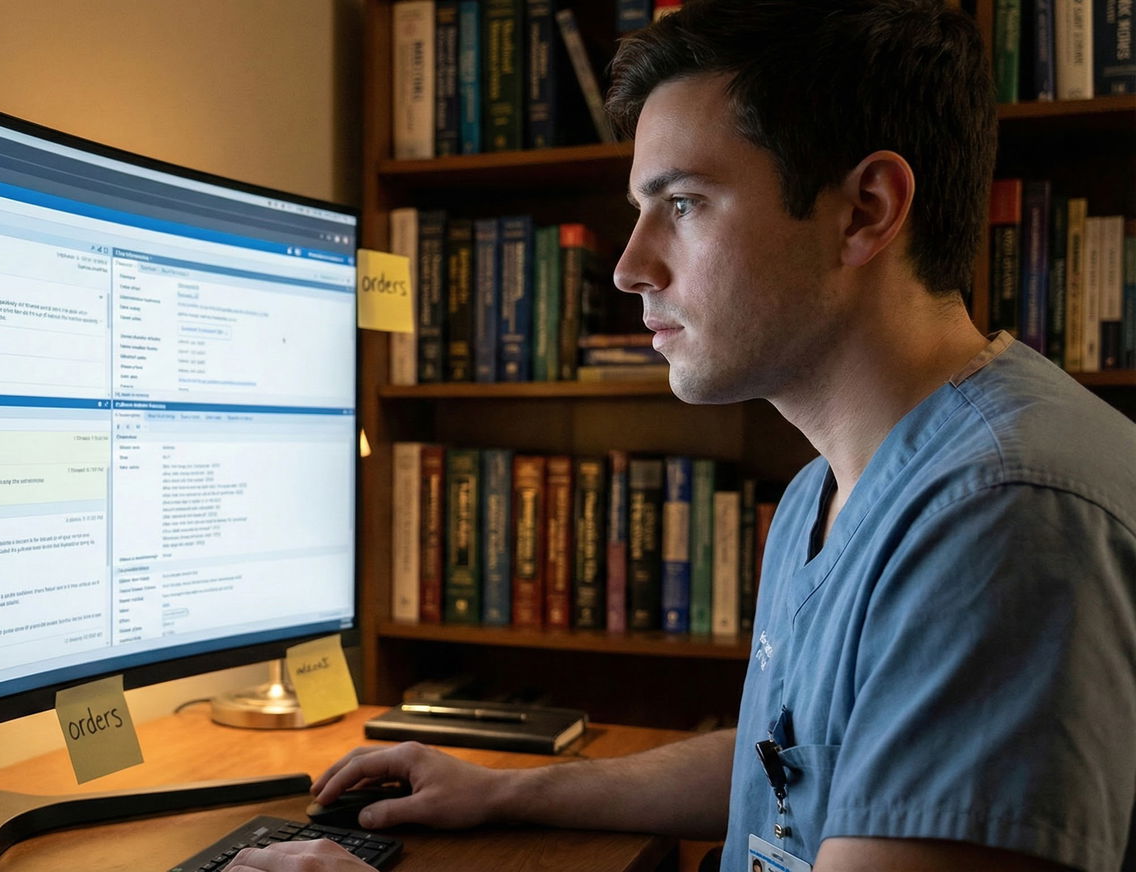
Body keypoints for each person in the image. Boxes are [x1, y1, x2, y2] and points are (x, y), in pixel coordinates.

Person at [225, 1, 1136, 870]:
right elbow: (795, 764)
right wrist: (507, 792)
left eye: (686, 204)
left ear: (865, 210)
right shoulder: (830, 487)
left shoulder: (1003, 520)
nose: (628, 266)